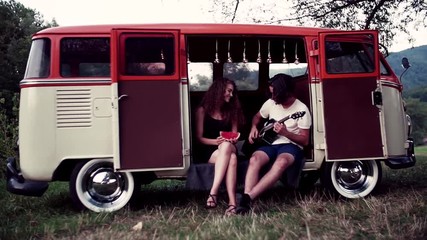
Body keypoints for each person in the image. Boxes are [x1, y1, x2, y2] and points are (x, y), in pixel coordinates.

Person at [237, 73, 311, 214]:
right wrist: (253, 127)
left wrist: (285, 133)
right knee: (254, 159)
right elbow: (257, 117)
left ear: (286, 92)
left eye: (275, 94)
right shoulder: (270, 103)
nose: (272, 98)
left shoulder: (301, 110)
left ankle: (248, 198)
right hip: (270, 144)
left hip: (291, 146)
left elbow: (305, 140)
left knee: (281, 162)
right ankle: (245, 202)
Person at [195, 77, 245, 216]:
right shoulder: (202, 110)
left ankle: (213, 192)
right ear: (219, 91)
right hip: (210, 149)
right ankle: (232, 203)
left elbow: (234, 136)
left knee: (227, 145)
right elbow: (199, 138)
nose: (231, 94)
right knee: (233, 159)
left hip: (229, 146)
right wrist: (216, 142)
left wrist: (226, 141)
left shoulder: (232, 111)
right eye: (229, 91)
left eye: (232, 92)